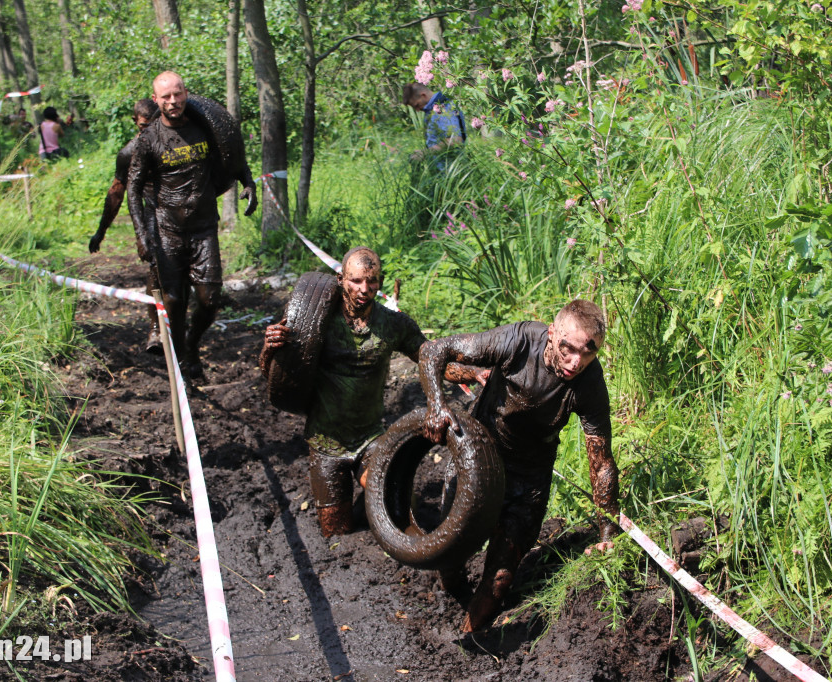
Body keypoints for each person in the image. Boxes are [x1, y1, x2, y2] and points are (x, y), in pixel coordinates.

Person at [418, 299, 620, 632]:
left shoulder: (590, 383)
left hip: (530, 478)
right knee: (450, 551)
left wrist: (608, 532)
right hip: (478, 456)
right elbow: (433, 351)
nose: (574, 362)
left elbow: (601, 462)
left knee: (500, 578)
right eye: (567, 349)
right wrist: (436, 407)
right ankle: (451, 591)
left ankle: (470, 642)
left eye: (588, 353)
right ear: (552, 333)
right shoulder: (518, 341)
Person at [260, 247, 486, 537]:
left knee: (400, 504)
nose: (364, 289)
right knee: (336, 532)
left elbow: (432, 360)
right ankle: (360, 506)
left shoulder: (392, 324)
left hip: (369, 438)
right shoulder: (317, 323)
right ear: (340, 279)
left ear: (380, 281)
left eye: (372, 281)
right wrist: (270, 348)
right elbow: (274, 374)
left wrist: (477, 373)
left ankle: (371, 501)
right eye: (356, 281)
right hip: (325, 444)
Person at [127, 71, 257, 384]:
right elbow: (133, 188)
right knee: (173, 300)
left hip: (203, 229)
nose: (173, 102)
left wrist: (248, 180)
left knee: (210, 299)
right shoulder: (148, 140)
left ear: (186, 93)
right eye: (166, 97)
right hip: (168, 230)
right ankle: (181, 357)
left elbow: (232, 152)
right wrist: (142, 236)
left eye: (178, 94)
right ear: (156, 100)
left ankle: (191, 345)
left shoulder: (205, 127)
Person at [89, 98, 162, 354]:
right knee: (157, 269)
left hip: (184, 209)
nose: (149, 132)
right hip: (152, 213)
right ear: (135, 123)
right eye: (144, 127)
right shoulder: (128, 153)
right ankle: (155, 328)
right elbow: (116, 193)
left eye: (154, 125)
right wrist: (101, 231)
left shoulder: (174, 141)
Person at [401, 82, 466, 165]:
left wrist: (425, 153)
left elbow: (456, 140)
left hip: (451, 168)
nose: (417, 110)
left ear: (423, 95)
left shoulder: (443, 107)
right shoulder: (431, 110)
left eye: (417, 105)